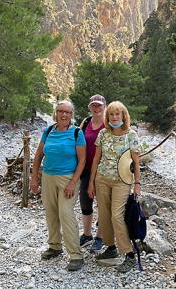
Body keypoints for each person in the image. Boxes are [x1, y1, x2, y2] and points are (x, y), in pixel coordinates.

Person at [30, 100, 86, 272]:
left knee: (66, 213)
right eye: (61, 111)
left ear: (71, 115)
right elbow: (39, 155)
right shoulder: (48, 131)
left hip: (68, 178)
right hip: (48, 176)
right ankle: (54, 246)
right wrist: (34, 178)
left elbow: (82, 160)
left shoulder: (77, 133)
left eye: (67, 112)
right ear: (56, 113)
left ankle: (76, 255)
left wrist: (72, 182)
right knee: (51, 212)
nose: (63, 115)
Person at [88, 101, 141, 273]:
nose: (115, 117)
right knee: (104, 216)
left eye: (118, 114)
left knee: (117, 216)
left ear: (124, 115)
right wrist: (91, 182)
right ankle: (110, 248)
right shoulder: (103, 133)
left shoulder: (131, 135)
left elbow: (136, 162)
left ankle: (129, 255)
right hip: (102, 179)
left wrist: (137, 184)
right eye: (111, 114)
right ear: (107, 116)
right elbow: (96, 159)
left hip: (122, 181)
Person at [79, 94, 106, 253]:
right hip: (86, 168)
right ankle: (87, 234)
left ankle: (100, 237)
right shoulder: (86, 122)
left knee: (102, 203)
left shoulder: (109, 123)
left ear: (104, 106)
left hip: (104, 171)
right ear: (90, 107)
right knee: (85, 201)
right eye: (93, 106)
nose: (96, 108)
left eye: (99, 105)